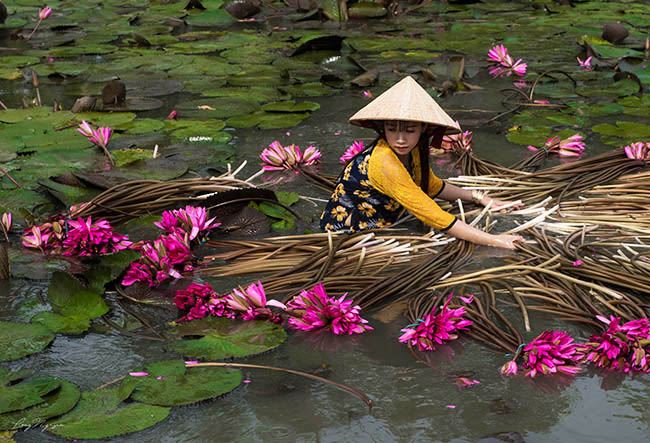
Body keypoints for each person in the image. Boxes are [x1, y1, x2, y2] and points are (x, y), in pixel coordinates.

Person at [319, 76, 523, 250]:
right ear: (383, 129)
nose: (400, 139)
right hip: (348, 233)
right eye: (392, 129)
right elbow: (431, 213)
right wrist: (495, 240)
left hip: (383, 221)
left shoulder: (413, 151)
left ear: (423, 130)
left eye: (409, 131)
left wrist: (480, 198)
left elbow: (430, 185)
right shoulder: (384, 163)